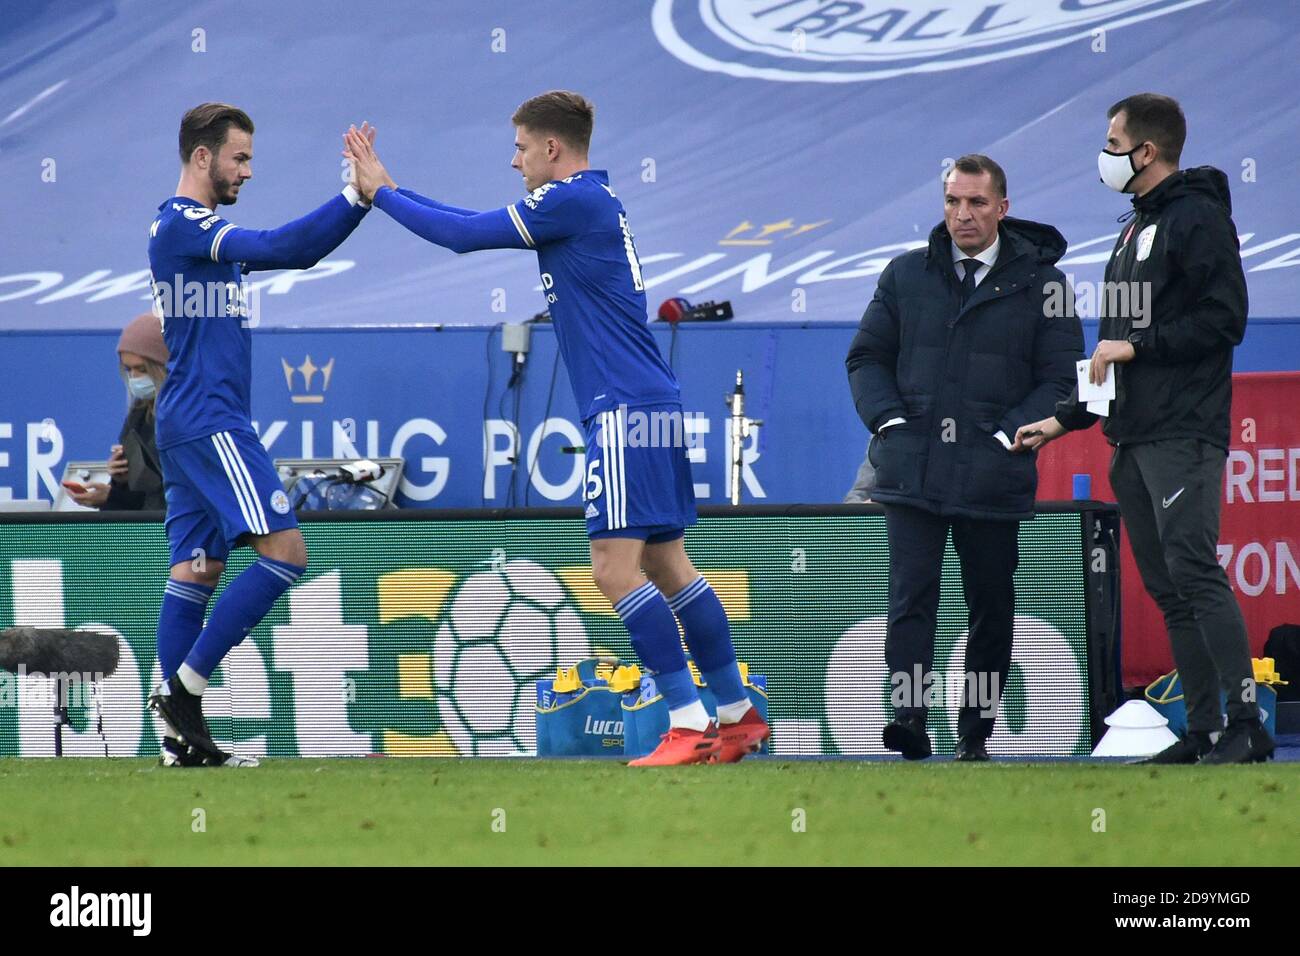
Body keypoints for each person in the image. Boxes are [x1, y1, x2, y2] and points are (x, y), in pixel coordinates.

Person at [343, 91, 767, 766]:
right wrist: (391, 187)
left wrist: (382, 194)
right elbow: (469, 223)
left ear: (551, 149)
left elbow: (463, 235)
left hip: (625, 411)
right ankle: (737, 714)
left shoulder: (571, 200)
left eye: (518, 147)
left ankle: (688, 721)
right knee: (666, 563)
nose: (513, 162)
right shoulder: (591, 202)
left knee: (611, 569)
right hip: (648, 402)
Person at [1016, 93, 1274, 765]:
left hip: (1181, 433)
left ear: (1146, 150)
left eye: (1111, 140)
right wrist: (1063, 419)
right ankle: (1204, 729)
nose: (1104, 154)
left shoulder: (1197, 218)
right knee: (1168, 588)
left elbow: (1225, 320)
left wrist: (1139, 348)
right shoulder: (1132, 230)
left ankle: (1247, 722)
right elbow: (1111, 345)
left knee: (1193, 571)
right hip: (1130, 439)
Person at [146, 103, 373, 767]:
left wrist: (355, 203)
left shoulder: (192, 230)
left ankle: (177, 745)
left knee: (197, 571)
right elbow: (285, 247)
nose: (247, 170)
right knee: (286, 553)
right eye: (238, 158)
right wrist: (356, 195)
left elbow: (287, 253)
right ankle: (184, 692)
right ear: (201, 158)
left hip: (186, 422)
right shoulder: (185, 225)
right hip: (211, 420)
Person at [846, 155, 1082, 761]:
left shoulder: (1046, 286)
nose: (962, 214)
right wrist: (890, 421)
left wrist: (1006, 436)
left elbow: (1061, 380)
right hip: (913, 467)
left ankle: (974, 735)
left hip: (993, 472)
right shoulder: (905, 275)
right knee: (911, 598)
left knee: (990, 604)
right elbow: (866, 358)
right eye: (953, 201)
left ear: (1002, 208)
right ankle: (908, 718)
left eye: (976, 203)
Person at [68, 313, 169, 512]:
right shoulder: (139, 413)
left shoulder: (189, 417)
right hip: (148, 531)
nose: (134, 378)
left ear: (163, 366)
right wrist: (120, 482)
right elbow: (143, 499)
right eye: (128, 369)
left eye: (142, 369)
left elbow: (177, 497)